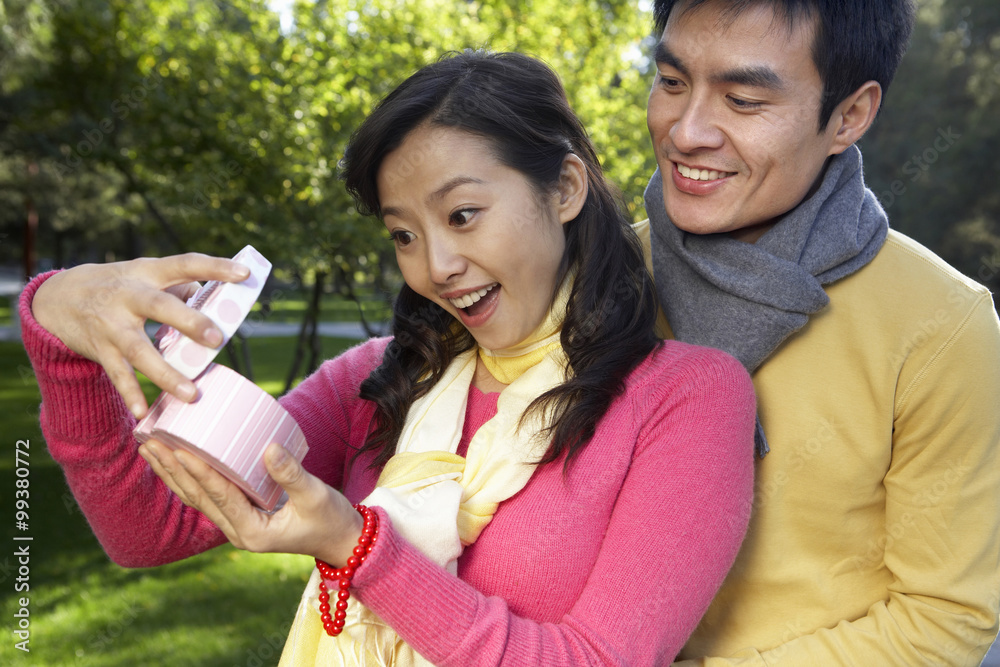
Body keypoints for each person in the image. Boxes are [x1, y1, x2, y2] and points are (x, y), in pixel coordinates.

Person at [21, 51, 757, 665]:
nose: (435, 265)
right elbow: (149, 528)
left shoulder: (685, 398)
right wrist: (59, 330)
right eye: (403, 234)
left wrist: (359, 547)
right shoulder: (384, 379)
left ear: (563, 188)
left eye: (462, 215)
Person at [634, 1, 1000, 664]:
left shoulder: (942, 324)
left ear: (850, 115)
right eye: (672, 82)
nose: (685, 131)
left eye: (743, 100)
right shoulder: (595, 278)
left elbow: (945, 616)